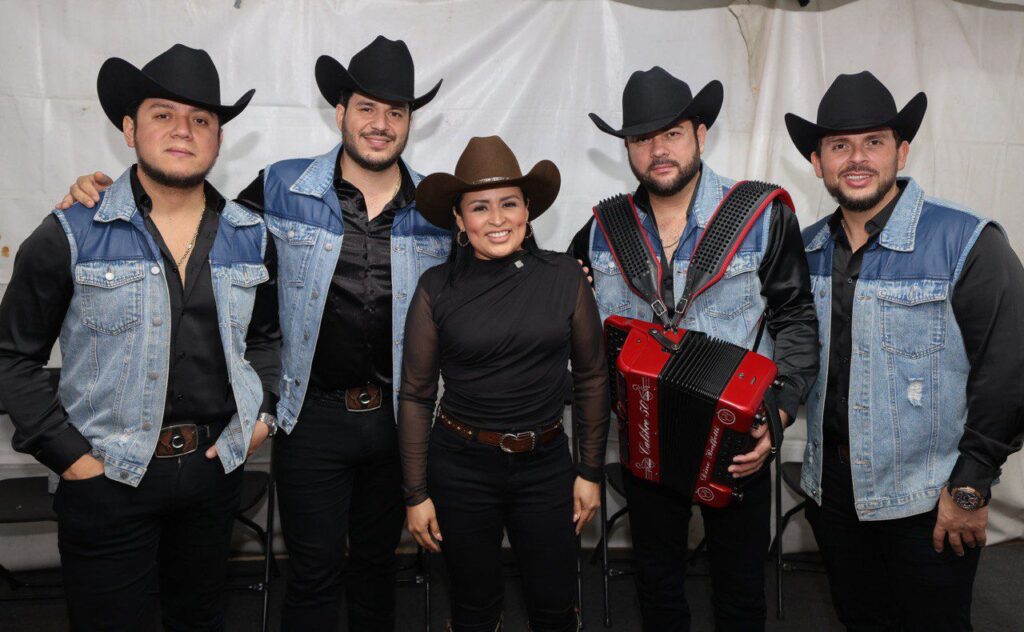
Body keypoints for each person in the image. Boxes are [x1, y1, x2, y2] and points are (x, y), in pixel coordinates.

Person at [56, 35, 450, 632]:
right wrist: (101, 194)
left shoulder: (438, 206)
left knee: (379, 567)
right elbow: (199, 217)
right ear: (339, 113)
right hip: (309, 418)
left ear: (409, 123)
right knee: (312, 573)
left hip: (400, 419)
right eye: (367, 108)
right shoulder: (280, 187)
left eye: (395, 112)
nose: (380, 123)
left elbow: (492, 260)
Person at [0, 44, 280, 631]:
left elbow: (268, 338)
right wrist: (69, 457)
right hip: (105, 479)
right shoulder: (69, 233)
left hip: (212, 474)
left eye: (201, 119)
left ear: (219, 139)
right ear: (129, 130)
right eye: (163, 114)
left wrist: (261, 418)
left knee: (198, 621)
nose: (183, 130)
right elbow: (11, 358)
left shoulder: (250, 236)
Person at [569, 66, 820, 631]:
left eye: (673, 134)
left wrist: (779, 411)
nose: (658, 150)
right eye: (641, 138)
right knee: (658, 586)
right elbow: (575, 329)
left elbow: (797, 319)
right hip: (645, 434)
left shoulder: (761, 215)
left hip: (738, 439)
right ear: (626, 148)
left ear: (701, 135)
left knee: (740, 590)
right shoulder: (601, 230)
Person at [787, 70, 1024, 631]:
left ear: (902, 151)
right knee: (860, 620)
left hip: (929, 497)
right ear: (817, 163)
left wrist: (969, 487)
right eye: (839, 145)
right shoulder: (805, 250)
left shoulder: (967, 241)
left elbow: (1009, 371)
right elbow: (786, 351)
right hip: (832, 493)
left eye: (874, 141)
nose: (857, 158)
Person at [399, 136, 609, 632]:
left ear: (528, 209)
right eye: (480, 207)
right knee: (473, 611)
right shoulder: (435, 288)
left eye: (509, 203)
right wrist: (415, 493)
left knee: (555, 609)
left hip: (546, 467)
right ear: (459, 218)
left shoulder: (565, 276)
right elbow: (416, 395)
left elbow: (592, 377)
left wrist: (590, 470)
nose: (497, 219)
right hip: (461, 468)